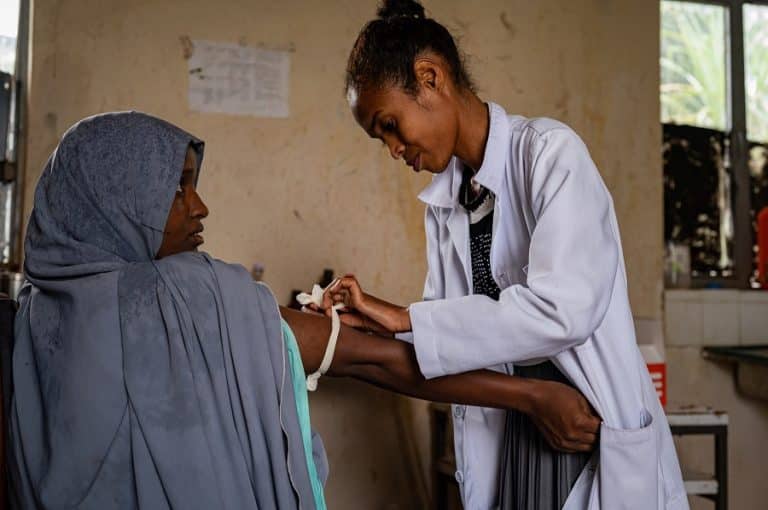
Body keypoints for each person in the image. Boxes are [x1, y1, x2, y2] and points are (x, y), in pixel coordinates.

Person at [10, 111, 599, 509]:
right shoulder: (197, 300)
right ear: (116, 202)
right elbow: (383, 364)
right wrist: (534, 397)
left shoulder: (28, 323)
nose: (200, 206)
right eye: (178, 188)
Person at [324, 1, 689, 508]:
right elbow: (446, 340)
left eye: (389, 124)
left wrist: (406, 318)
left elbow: (563, 311)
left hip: (583, 431)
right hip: (518, 433)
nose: (391, 149)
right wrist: (373, 320)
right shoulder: (446, 206)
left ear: (429, 78)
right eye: (378, 137)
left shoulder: (549, 155)